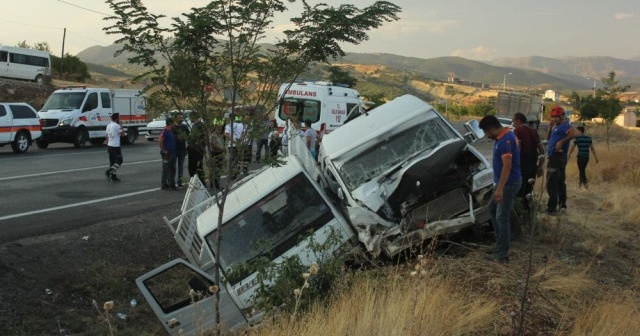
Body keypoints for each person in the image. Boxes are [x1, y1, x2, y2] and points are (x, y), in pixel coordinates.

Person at [479, 115, 522, 263]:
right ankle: (500, 245)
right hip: (502, 183)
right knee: (491, 209)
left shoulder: (506, 140)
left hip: (508, 184)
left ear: (492, 128)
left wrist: (500, 189)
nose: (486, 135)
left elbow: (507, 166)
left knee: (501, 217)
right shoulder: (503, 137)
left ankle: (503, 254)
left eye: (486, 132)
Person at [545, 106, 574, 214]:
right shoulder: (556, 127)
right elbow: (547, 139)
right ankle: (562, 205)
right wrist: (549, 129)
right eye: (553, 117)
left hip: (557, 157)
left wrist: (562, 142)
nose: (554, 119)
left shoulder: (564, 125)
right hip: (555, 157)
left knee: (551, 183)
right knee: (560, 182)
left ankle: (551, 208)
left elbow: (573, 133)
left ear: (562, 116)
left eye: (556, 116)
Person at [512, 112, 545, 208]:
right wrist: (540, 166)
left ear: (518, 121)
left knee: (519, 192)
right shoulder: (533, 131)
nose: (513, 124)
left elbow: (517, 149)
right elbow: (541, 149)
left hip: (522, 165)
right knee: (528, 191)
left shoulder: (517, 131)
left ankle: (519, 214)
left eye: (513, 121)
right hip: (532, 166)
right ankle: (527, 212)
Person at [159, 117, 178, 190]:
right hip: (167, 153)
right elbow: (160, 141)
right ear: (170, 123)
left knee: (173, 168)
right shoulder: (165, 131)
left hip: (173, 152)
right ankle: (164, 184)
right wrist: (164, 150)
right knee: (166, 169)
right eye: (173, 123)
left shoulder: (171, 131)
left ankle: (171, 183)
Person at [224, 112, 244, 180]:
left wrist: (233, 141)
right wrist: (239, 141)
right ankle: (237, 172)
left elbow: (227, 135)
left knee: (232, 159)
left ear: (230, 118)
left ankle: (234, 174)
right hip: (239, 144)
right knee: (237, 159)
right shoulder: (241, 124)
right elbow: (243, 134)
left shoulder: (228, 125)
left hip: (232, 145)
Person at [105, 113, 124, 182]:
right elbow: (123, 134)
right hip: (116, 146)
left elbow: (107, 136)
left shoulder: (108, 125)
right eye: (119, 118)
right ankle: (109, 171)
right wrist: (121, 126)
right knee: (120, 160)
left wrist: (107, 145)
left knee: (112, 162)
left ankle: (113, 176)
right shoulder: (117, 126)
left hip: (110, 145)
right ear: (116, 118)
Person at [188, 112, 206, 181]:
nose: (190, 119)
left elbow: (204, 137)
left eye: (190, 117)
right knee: (192, 167)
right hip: (192, 149)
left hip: (198, 150)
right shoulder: (193, 126)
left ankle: (202, 182)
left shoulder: (201, 126)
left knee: (199, 167)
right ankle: (193, 180)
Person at [173, 113, 190, 187]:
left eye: (182, 118)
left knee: (181, 167)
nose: (181, 119)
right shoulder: (172, 127)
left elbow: (189, 137)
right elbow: (169, 137)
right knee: (172, 167)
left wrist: (187, 148)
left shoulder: (184, 127)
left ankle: (180, 182)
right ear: (176, 118)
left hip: (182, 149)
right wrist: (176, 137)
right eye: (179, 118)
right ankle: (171, 182)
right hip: (173, 149)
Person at [209, 123, 226, 189]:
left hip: (221, 153)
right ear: (215, 128)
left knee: (219, 169)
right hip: (215, 153)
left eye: (221, 128)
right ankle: (213, 185)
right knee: (215, 169)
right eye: (218, 128)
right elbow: (213, 145)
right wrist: (221, 149)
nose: (220, 129)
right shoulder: (213, 135)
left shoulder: (221, 136)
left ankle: (217, 184)